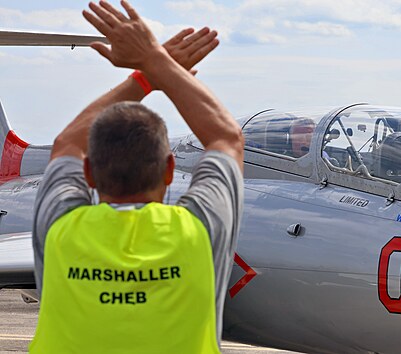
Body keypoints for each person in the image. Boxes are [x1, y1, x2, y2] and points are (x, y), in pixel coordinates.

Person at [29, 1, 243, 353]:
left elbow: (67, 142)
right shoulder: (198, 232)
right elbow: (227, 138)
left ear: (89, 174)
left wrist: (145, 75)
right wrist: (157, 61)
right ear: (170, 170)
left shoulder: (60, 230)